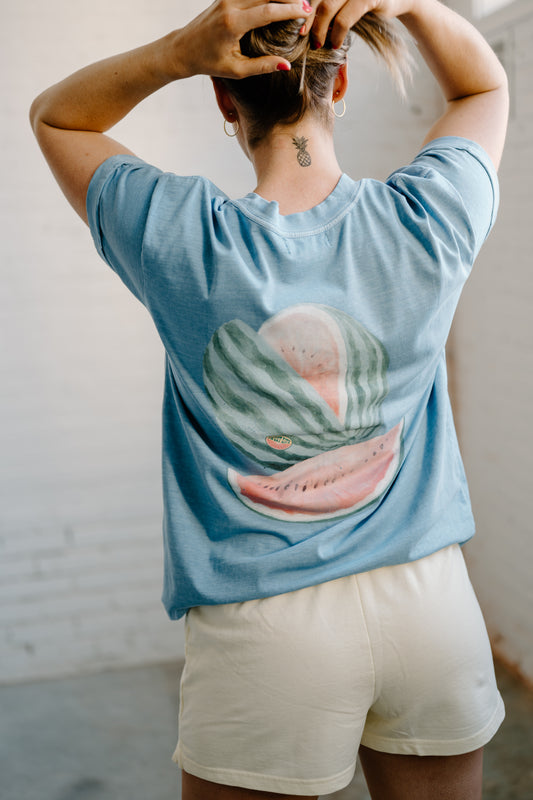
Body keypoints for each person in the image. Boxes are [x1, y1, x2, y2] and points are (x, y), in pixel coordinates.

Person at [30, 1, 509, 798]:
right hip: (430, 604)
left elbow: (58, 116)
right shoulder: (425, 217)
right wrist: (413, 5)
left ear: (223, 97)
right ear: (340, 84)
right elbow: (483, 87)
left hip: (265, 625)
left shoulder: (182, 234)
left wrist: (177, 51)